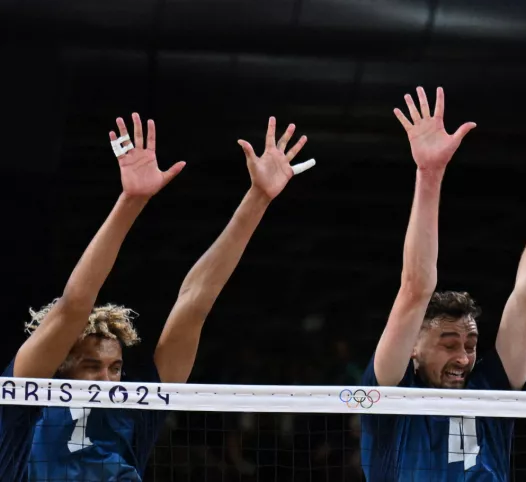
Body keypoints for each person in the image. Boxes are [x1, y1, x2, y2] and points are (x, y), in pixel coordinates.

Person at [0, 114, 312, 481]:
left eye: (115, 368)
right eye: (91, 366)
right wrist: (131, 201)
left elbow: (195, 302)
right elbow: (74, 305)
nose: (107, 380)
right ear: (61, 366)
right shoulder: (26, 398)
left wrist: (258, 198)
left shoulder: (137, 406)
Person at [360, 86, 526, 481]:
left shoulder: (489, 388)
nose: (463, 357)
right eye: (449, 343)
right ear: (414, 345)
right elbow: (415, 288)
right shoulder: (390, 397)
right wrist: (429, 173)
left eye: (469, 344)